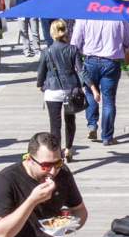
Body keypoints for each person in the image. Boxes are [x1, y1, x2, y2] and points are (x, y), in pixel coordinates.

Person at [37, 20, 98, 161]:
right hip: (70, 91)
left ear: (52, 33)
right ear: (66, 31)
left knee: (55, 125)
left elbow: (41, 72)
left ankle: (57, 153)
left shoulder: (46, 52)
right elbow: (82, 71)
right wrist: (93, 88)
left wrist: (40, 84)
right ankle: (69, 149)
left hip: (52, 91)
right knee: (70, 121)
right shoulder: (73, 49)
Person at [71, 18, 129, 145]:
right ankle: (107, 136)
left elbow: (75, 44)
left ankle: (92, 125)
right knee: (109, 100)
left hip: (90, 61)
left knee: (90, 93)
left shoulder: (84, 17)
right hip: (111, 62)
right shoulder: (119, 17)